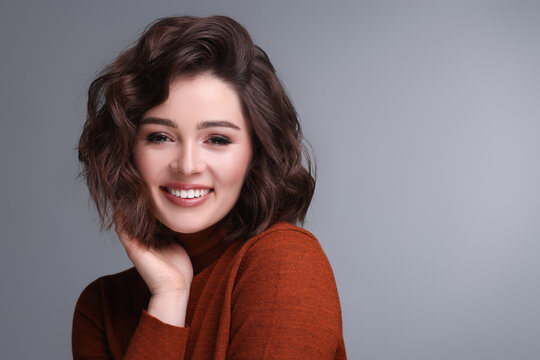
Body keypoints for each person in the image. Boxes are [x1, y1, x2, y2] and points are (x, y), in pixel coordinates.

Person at [73, 15, 347, 359]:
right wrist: (169, 297)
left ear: (255, 152)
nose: (187, 165)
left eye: (217, 139)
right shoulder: (100, 308)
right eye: (160, 137)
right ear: (127, 149)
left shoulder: (284, 261)